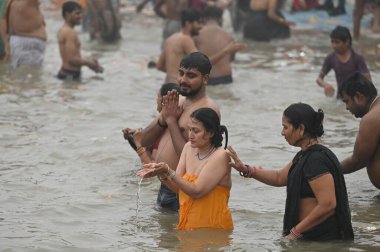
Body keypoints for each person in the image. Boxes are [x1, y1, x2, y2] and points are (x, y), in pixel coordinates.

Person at [228, 103, 354, 241]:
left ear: (300, 128)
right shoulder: (305, 155)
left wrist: (294, 233)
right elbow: (279, 177)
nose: (282, 133)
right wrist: (246, 170)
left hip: (321, 242)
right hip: (310, 239)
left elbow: (328, 205)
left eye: (285, 127)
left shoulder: (315, 159)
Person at [124, 52, 221, 212]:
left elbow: (193, 157)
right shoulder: (177, 101)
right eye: (181, 73)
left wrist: (171, 121)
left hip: (185, 189)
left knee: (183, 237)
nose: (183, 80)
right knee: (165, 236)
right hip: (165, 186)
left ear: (205, 79)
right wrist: (163, 119)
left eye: (191, 76)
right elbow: (144, 140)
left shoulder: (207, 109)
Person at [137, 107, 233, 231]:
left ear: (210, 133)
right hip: (187, 227)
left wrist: (168, 171)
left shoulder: (221, 156)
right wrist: (161, 174)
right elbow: (178, 188)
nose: (190, 135)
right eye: (189, 130)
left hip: (213, 231)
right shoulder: (188, 148)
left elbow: (197, 191)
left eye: (196, 131)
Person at [156, 8, 245, 84]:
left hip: (166, 86)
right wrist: (226, 51)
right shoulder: (186, 40)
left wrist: (174, 74)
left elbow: (159, 66)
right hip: (178, 87)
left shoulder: (170, 39)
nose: (201, 26)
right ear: (188, 24)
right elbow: (203, 64)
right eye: (198, 23)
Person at [338, 72, 380, 189]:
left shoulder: (371, 119)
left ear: (359, 97)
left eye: (346, 101)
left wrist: (329, 169)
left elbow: (357, 161)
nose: (347, 107)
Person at [123, 83, 180, 164]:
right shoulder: (164, 125)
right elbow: (149, 154)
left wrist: (139, 144)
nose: (156, 100)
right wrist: (133, 139)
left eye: (158, 96)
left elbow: (152, 168)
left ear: (164, 100)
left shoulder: (166, 129)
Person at [316, 26, 371, 98]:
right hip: (340, 98)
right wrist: (326, 85)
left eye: (337, 42)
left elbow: (368, 81)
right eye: (332, 41)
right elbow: (319, 79)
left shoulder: (357, 58)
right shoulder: (331, 58)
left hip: (356, 98)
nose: (334, 45)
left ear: (347, 42)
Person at [57, 1, 103, 81]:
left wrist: (88, 60)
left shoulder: (64, 30)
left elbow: (71, 56)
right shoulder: (70, 32)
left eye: (81, 13)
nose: (81, 16)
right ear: (68, 14)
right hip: (70, 76)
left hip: (67, 74)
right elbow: (71, 59)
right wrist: (89, 63)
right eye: (77, 13)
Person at [195, 6, 237, 85]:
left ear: (204, 18)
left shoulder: (196, 35)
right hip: (226, 77)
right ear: (220, 19)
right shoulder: (229, 36)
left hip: (206, 79)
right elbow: (231, 59)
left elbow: (191, 61)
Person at [7, 0, 47, 68]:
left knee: (22, 73)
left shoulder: (14, 3)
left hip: (20, 41)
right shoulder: (27, 2)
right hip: (28, 42)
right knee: (28, 74)